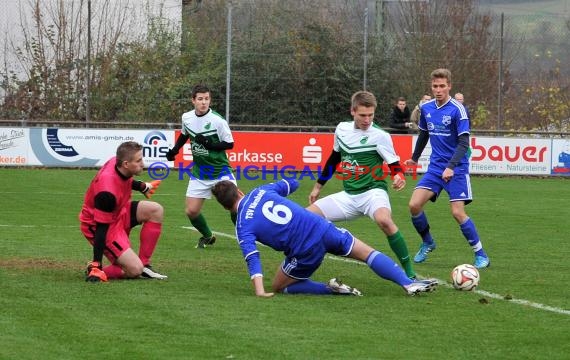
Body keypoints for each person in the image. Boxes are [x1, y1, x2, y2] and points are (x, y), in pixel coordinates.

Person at [211, 178, 438, 297]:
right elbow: (292, 183)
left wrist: (260, 290)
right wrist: (284, 187)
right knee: (367, 253)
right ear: (239, 191)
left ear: (225, 207)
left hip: (304, 249)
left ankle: (330, 289)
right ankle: (408, 283)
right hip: (322, 226)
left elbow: (252, 257)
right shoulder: (261, 190)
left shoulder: (242, 225)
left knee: (280, 285)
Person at [306, 90, 417, 279]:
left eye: (371, 115)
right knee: (305, 217)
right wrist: (318, 186)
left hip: (373, 193)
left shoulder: (380, 135)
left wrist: (399, 176)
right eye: (363, 115)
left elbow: (394, 165)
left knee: (385, 221)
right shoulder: (341, 129)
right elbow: (334, 159)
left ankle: (410, 274)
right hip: (348, 196)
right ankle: (298, 265)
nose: (367, 120)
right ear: (353, 112)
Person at [404, 69, 490, 269]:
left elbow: (463, 143)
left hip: (457, 169)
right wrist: (415, 158)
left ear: (449, 86)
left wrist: (451, 167)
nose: (438, 90)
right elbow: (424, 135)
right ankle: (428, 242)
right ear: (431, 87)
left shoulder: (458, 110)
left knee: (457, 213)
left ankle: (481, 254)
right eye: (435, 86)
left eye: (442, 86)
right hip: (435, 168)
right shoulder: (426, 108)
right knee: (414, 205)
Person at [79, 141, 168, 282]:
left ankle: (145, 265)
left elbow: (125, 178)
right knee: (134, 270)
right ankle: (94, 270)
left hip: (119, 212)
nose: (143, 164)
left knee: (155, 210)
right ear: (126, 164)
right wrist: (97, 264)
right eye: (138, 161)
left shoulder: (117, 161)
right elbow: (101, 230)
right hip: (101, 227)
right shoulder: (107, 193)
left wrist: (142, 186)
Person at [165, 83, 236, 248]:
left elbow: (230, 144)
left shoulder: (217, 120)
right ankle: (208, 236)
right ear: (193, 100)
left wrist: (210, 145)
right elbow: (184, 135)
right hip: (200, 172)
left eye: (207, 99)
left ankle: (245, 235)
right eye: (200, 99)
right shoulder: (187, 117)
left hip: (220, 171)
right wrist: (174, 150)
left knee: (234, 207)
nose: (204, 102)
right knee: (191, 211)